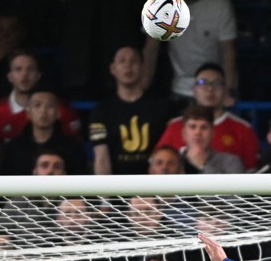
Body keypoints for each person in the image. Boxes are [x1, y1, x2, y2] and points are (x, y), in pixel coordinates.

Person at [142, 0, 238, 110]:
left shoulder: (220, 4)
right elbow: (150, 50)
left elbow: (228, 53)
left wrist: (228, 90)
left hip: (214, 89)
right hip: (180, 89)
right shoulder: (163, 4)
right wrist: (142, 86)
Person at [0, 51, 81, 175]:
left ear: (38, 75)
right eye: (18, 69)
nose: (24, 75)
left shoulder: (67, 114)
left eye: (30, 69)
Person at [155, 63, 258, 170]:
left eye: (217, 83)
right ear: (194, 90)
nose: (210, 89)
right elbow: (157, 165)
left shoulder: (243, 129)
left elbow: (251, 174)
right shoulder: (175, 126)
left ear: (225, 90)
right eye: (202, 82)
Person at [90, 46, 170, 175]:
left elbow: (168, 154)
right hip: (118, 187)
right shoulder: (101, 111)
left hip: (155, 186)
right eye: (122, 61)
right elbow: (101, 158)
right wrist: (105, 194)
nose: (128, 66)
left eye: (134, 61)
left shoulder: (162, 107)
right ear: (113, 69)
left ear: (143, 67)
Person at [0, 88, 87, 176]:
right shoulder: (13, 148)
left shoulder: (73, 148)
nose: (43, 111)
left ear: (58, 113)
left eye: (50, 106)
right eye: (37, 105)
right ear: (28, 113)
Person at [177, 105, 244, 174]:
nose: (198, 132)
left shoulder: (231, 162)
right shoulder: (173, 162)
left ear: (212, 133)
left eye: (204, 127)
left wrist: (201, 165)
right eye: (192, 127)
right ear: (184, 133)